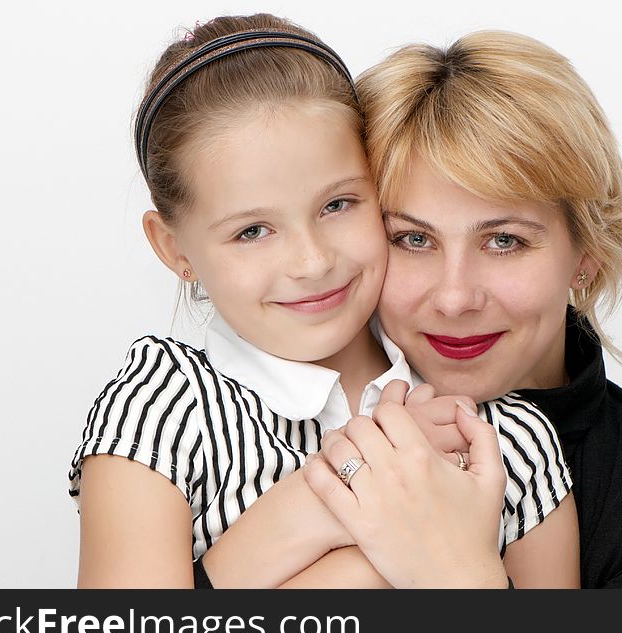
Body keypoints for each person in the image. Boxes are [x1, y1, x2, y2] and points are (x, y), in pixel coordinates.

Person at [206, 29, 622, 588]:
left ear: (587, 252)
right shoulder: (224, 421)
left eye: (504, 241)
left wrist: (455, 573)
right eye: (413, 240)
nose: (454, 297)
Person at [68, 14, 577, 589]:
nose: (312, 262)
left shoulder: (503, 436)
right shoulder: (163, 415)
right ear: (173, 247)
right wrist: (320, 513)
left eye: (337, 205)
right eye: (252, 231)